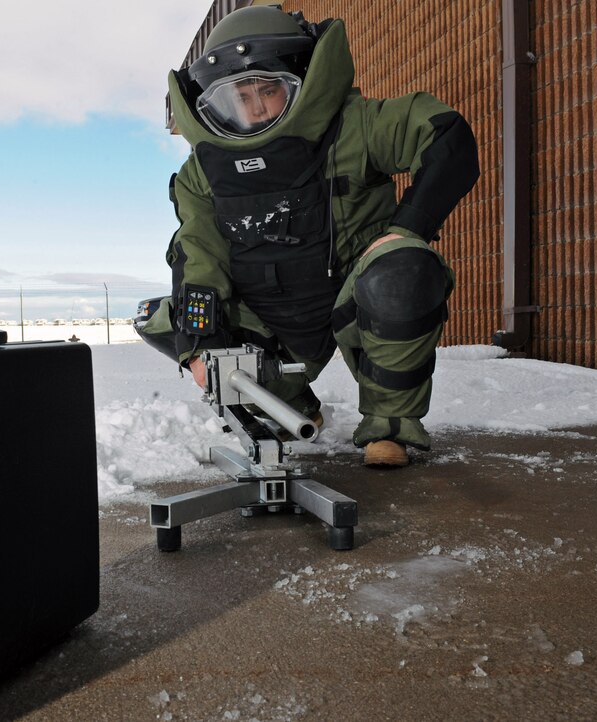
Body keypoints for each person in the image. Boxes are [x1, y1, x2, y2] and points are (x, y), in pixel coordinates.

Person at [136, 5, 479, 467]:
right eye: (239, 96)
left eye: (269, 90)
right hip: (271, 317)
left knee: (402, 268)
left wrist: (406, 228)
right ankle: (289, 407)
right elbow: (198, 253)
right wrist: (199, 347)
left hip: (353, 297)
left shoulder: (354, 126)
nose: (255, 108)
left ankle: (389, 428)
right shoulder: (202, 174)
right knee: (167, 318)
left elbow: (446, 137)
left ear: (301, 79)